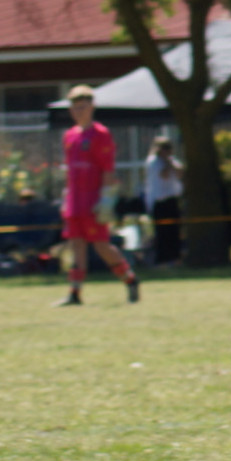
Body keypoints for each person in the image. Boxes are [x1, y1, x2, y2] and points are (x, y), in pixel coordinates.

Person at [55, 86, 139, 306]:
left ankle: (130, 280)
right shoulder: (69, 135)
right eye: (74, 107)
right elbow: (69, 170)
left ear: (92, 107)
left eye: (82, 107)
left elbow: (108, 170)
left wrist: (106, 201)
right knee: (76, 245)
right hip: (75, 201)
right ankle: (75, 293)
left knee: (101, 245)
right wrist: (66, 197)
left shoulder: (101, 134)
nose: (78, 111)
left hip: (93, 201)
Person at [144, 135, 184, 266]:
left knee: (174, 231)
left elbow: (181, 173)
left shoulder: (172, 160)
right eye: (163, 148)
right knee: (162, 232)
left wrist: (170, 161)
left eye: (168, 148)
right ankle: (162, 260)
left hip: (172, 200)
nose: (166, 151)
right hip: (158, 201)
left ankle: (176, 258)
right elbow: (164, 175)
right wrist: (167, 162)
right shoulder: (153, 162)